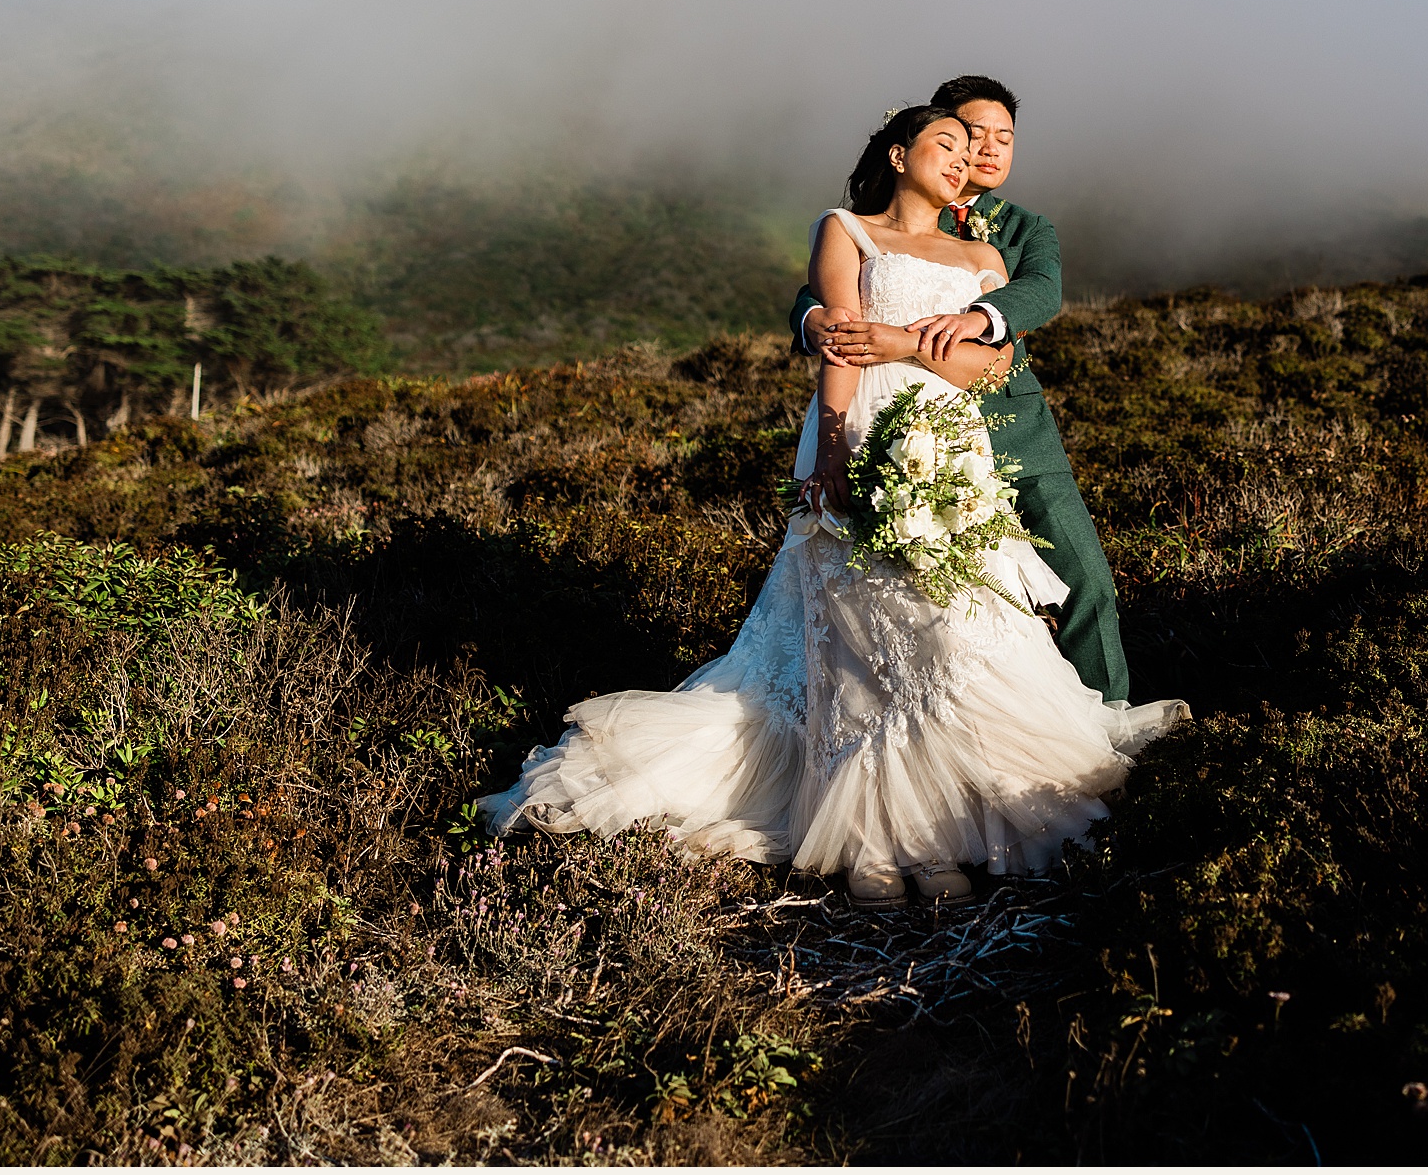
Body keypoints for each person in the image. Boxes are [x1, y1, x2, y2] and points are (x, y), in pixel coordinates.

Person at [477, 104, 1188, 909]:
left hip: (952, 441)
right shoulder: (846, 228)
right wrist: (836, 448)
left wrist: (908, 347)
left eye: (983, 145)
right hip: (861, 424)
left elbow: (993, 367)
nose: (965, 159)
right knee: (866, 617)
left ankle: (979, 801)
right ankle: (886, 831)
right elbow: (836, 338)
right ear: (898, 152)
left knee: (961, 618)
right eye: (947, 144)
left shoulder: (990, 250)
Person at [793, 76, 1134, 702]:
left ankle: (1106, 722)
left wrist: (970, 322)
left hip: (1011, 428)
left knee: (1084, 582)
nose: (984, 151)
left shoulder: (1021, 230)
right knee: (920, 605)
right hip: (894, 427)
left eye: (1005, 138)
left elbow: (1041, 294)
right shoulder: (856, 225)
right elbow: (829, 297)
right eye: (969, 136)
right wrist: (810, 319)